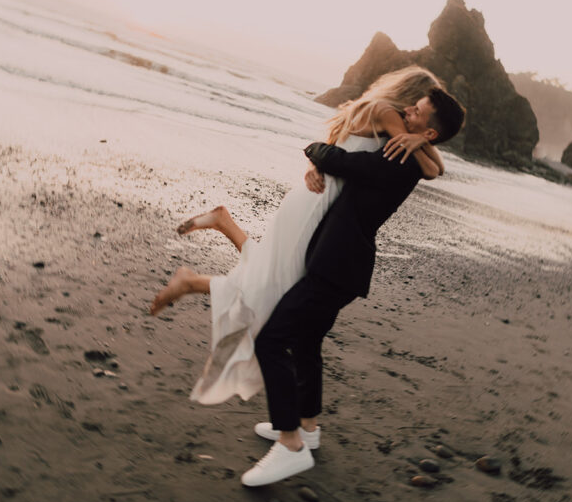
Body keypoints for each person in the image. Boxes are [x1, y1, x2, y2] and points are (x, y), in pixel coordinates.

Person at [150, 67, 447, 406]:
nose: (412, 114)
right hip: (316, 207)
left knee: (272, 274)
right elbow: (429, 169)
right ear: (409, 97)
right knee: (271, 285)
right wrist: (424, 140)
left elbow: (340, 150)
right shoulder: (387, 113)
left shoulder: (378, 109)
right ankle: (191, 280)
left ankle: (220, 230)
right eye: (417, 106)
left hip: (317, 203)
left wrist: (422, 139)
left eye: (419, 113)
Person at [238, 86, 465, 486]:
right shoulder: (410, 154)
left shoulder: (399, 161)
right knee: (307, 344)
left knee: (270, 340)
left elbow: (340, 160)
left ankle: (291, 446)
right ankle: (307, 429)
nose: (407, 112)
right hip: (340, 266)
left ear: (428, 133)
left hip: (336, 269)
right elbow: (352, 162)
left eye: (416, 112)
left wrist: (313, 151)